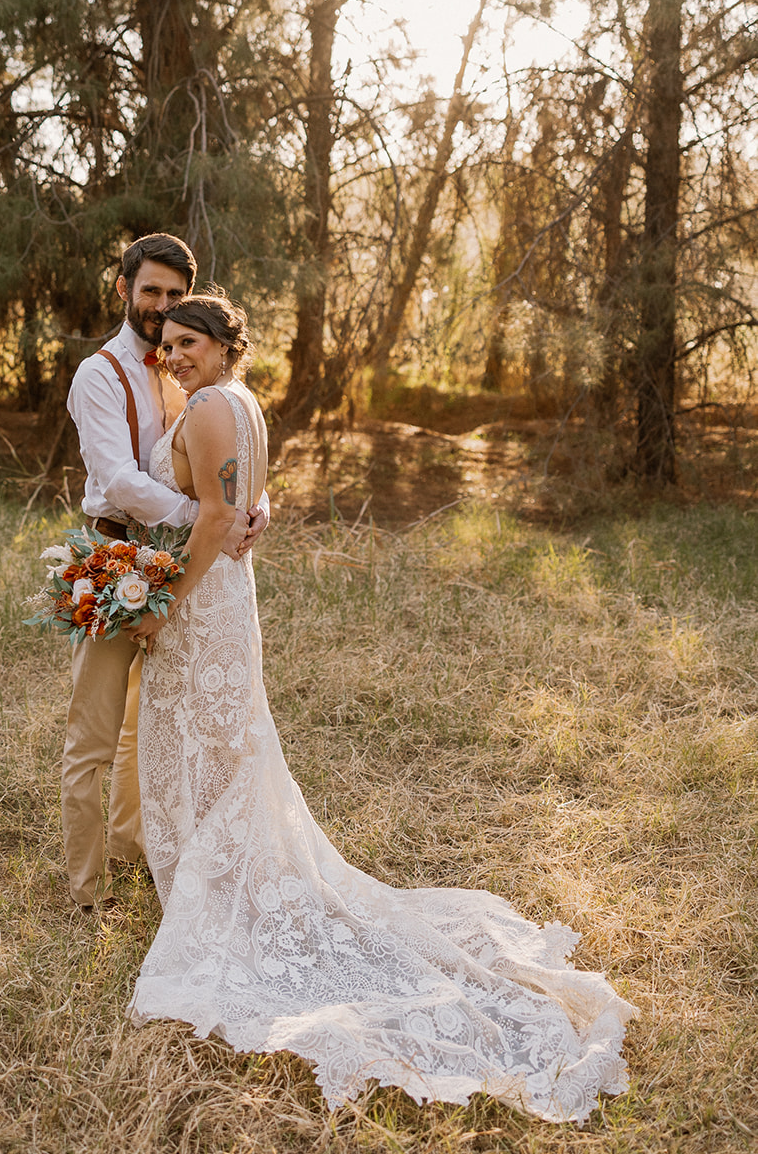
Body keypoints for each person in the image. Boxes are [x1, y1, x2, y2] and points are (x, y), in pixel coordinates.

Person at [125, 293, 637, 1123]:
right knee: (218, 740)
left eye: (188, 342)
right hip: (223, 592)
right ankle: (215, 877)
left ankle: (217, 889)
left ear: (224, 348)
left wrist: (161, 604)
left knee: (206, 736)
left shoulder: (212, 405)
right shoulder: (241, 403)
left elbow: (219, 513)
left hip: (202, 597)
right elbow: (254, 498)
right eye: (166, 343)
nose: (173, 354)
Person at [62, 234, 266, 908]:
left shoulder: (192, 370)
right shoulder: (100, 373)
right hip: (117, 554)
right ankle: (85, 885)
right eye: (150, 291)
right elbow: (119, 478)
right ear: (124, 289)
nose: (161, 307)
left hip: (185, 562)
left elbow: (225, 453)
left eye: (175, 296)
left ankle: (137, 852)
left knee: (149, 726)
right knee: (95, 727)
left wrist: (251, 503)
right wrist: (209, 512)